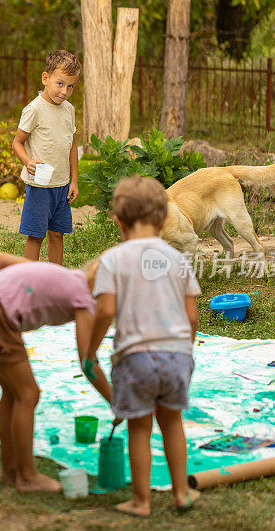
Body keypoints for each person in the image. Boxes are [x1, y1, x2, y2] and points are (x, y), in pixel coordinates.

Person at [0, 253, 111, 492]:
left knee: (13, 392)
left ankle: (10, 471)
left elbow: (0, 259)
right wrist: (114, 400)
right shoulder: (84, 298)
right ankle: (28, 477)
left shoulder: (66, 276)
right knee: (28, 394)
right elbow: (88, 361)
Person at [87, 175, 202, 516]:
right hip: (177, 356)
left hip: (134, 360)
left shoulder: (112, 259)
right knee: (172, 424)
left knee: (140, 428)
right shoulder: (178, 259)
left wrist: (91, 349)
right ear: (165, 219)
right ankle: (181, 493)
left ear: (118, 221)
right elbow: (192, 317)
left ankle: (141, 501)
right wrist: (184, 348)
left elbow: (105, 309)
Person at [12, 50, 81, 265]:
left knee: (57, 234)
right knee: (36, 235)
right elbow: (17, 143)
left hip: (61, 186)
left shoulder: (69, 110)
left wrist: (74, 181)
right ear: (45, 78)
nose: (64, 91)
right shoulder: (34, 109)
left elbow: (72, 146)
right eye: (60, 84)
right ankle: (30, 278)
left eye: (70, 86)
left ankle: (54, 277)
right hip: (39, 185)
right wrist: (28, 162)